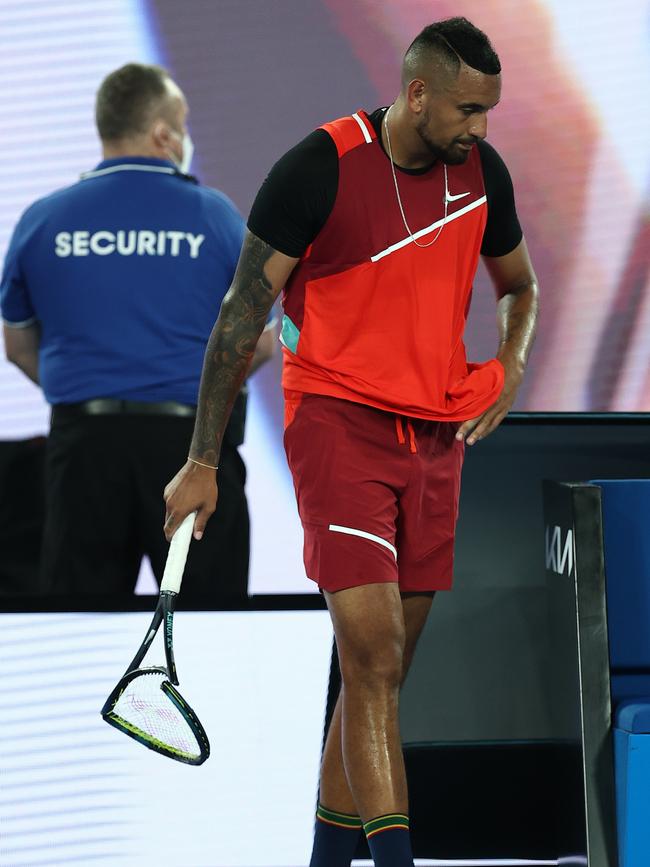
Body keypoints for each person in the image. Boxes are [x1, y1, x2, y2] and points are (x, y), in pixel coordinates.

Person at [164, 17, 538, 866]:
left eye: (490, 111)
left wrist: (510, 366)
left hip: (435, 438)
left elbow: (520, 285)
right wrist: (201, 459)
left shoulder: (484, 173)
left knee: (381, 672)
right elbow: (238, 318)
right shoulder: (317, 168)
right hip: (337, 426)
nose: (482, 128)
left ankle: (325, 859)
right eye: (469, 110)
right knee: (373, 663)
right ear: (416, 94)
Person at [0, 63, 274, 597]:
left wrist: (90, 388)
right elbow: (260, 343)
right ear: (164, 134)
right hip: (192, 449)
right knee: (205, 634)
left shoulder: (42, 221)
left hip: (81, 451)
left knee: (78, 631)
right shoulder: (214, 216)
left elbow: (17, 347)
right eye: (184, 124)